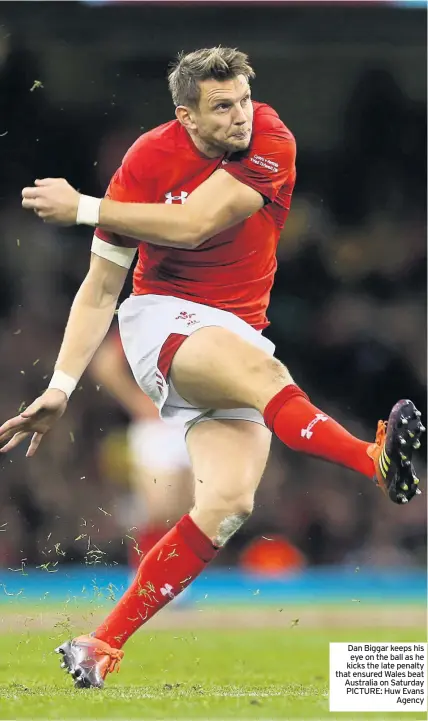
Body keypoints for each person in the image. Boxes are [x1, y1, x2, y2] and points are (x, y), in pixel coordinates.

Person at [0, 47, 423, 689]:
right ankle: (374, 460)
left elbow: (196, 223)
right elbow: (98, 287)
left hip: (234, 332)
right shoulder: (146, 160)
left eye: (243, 101)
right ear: (186, 116)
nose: (239, 117)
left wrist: (84, 207)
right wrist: (60, 385)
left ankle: (101, 644)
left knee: (227, 503)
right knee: (266, 381)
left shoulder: (272, 139)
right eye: (221, 107)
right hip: (161, 321)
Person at [89, 327, 192, 569]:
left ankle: (175, 577)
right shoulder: (147, 318)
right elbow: (105, 365)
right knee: (159, 508)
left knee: (190, 512)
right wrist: (136, 401)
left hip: (197, 422)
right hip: (159, 426)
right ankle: (147, 574)